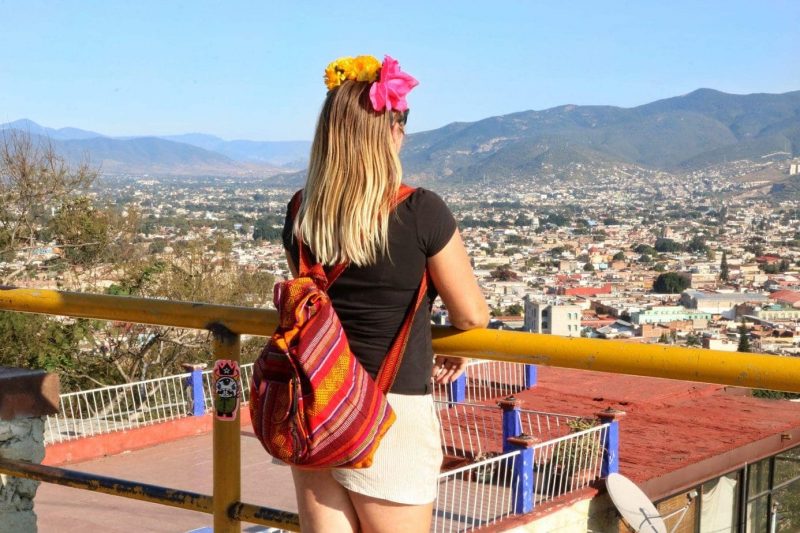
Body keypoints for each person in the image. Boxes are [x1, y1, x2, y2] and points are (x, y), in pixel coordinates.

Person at [281, 55, 489, 533]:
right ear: (390, 129)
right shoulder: (420, 210)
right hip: (390, 410)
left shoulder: (301, 210)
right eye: (403, 120)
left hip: (317, 400)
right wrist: (454, 346)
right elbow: (473, 315)